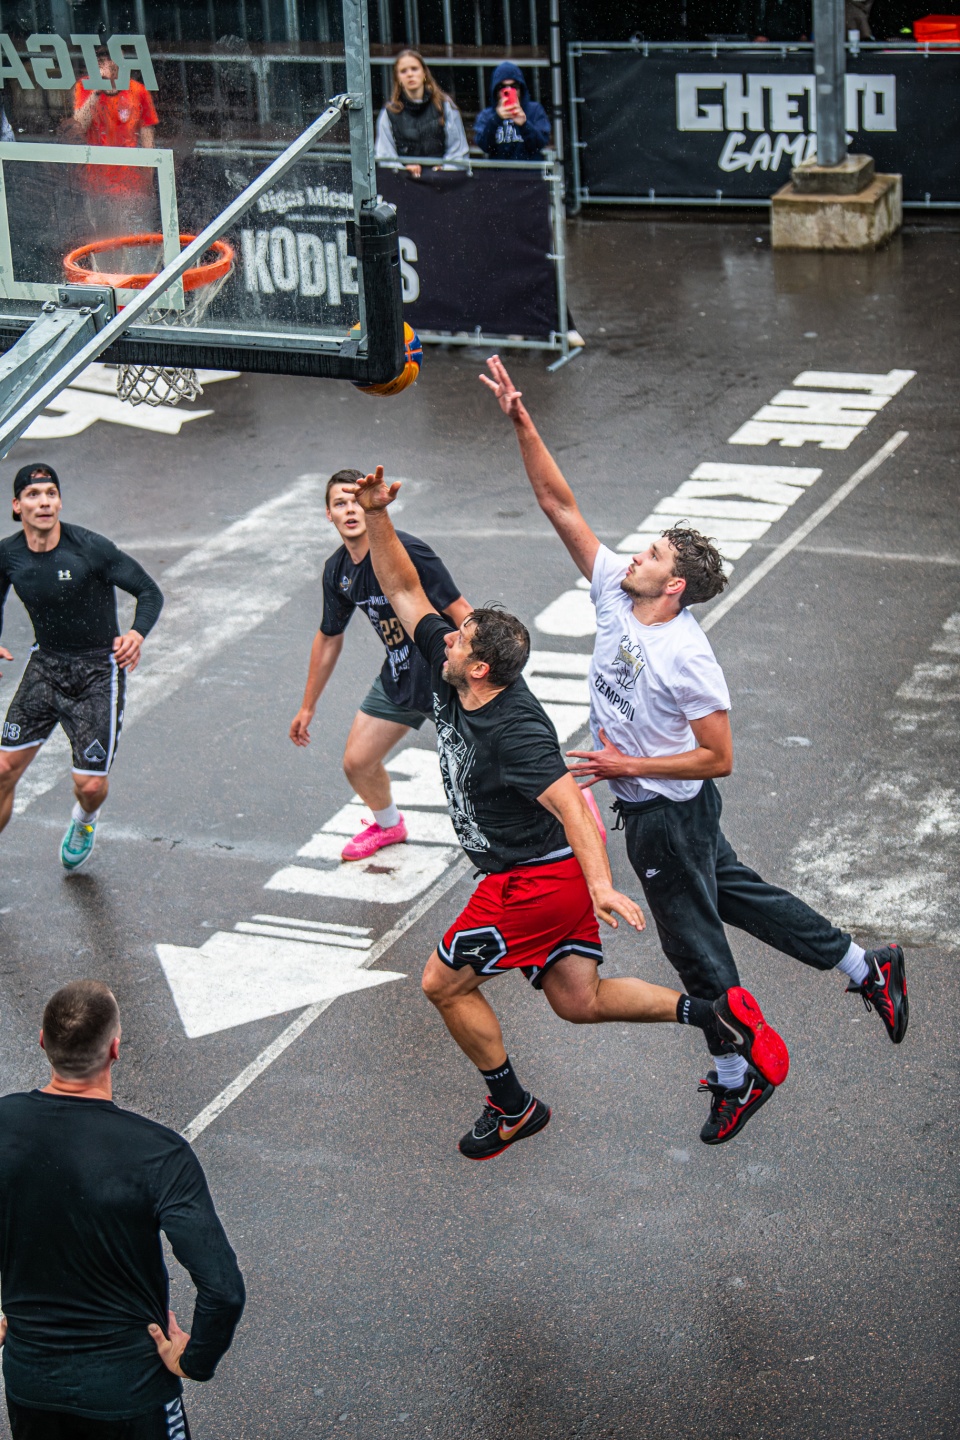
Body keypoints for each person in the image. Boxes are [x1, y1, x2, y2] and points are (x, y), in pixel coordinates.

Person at [480, 353, 908, 1145]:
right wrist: (522, 421)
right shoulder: (617, 593)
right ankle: (864, 966)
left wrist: (626, 766)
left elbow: (719, 757)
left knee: (693, 947)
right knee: (739, 896)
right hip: (673, 808)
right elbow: (557, 503)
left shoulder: (687, 655)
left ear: (673, 587)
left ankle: (738, 1075)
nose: (634, 557)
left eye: (652, 557)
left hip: (665, 815)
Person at [344, 465, 789, 1157]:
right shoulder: (449, 664)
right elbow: (403, 587)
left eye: (459, 640)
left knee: (443, 983)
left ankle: (512, 1106)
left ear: (480, 669)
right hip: (548, 873)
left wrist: (602, 886)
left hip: (533, 879)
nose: (445, 640)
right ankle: (715, 1016)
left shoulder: (516, 732)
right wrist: (376, 514)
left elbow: (575, 811)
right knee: (578, 1001)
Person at [0, 980, 244, 1438]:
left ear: (42, 1041)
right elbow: (223, 1289)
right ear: (115, 1049)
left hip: (32, 1387)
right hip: (132, 1392)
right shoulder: (159, 1152)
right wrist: (194, 1360)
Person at [290, 468, 473, 862]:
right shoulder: (338, 571)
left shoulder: (408, 550)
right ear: (329, 515)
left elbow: (460, 609)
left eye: (356, 501)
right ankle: (389, 826)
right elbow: (329, 636)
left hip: (447, 675)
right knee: (357, 762)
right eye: (340, 503)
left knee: (492, 764)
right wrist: (307, 706)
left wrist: (485, 670)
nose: (349, 509)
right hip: (401, 675)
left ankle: (562, 811)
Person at [0, 463, 164, 871]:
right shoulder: (8, 554)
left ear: (59, 502)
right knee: (3, 769)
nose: (44, 502)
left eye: (51, 493)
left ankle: (85, 820)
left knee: (89, 785)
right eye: (34, 495)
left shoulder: (89, 548)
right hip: (46, 665)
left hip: (96, 672)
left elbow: (148, 590)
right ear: (18, 506)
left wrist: (136, 633)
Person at [73, 45, 159, 234]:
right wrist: (97, 90)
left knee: (134, 241)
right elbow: (79, 125)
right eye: (101, 60)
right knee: (103, 242)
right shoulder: (85, 87)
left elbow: (148, 143)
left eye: (109, 59)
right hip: (97, 186)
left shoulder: (138, 91)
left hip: (132, 187)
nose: (105, 64)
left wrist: (148, 183)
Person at [375, 49, 469, 178]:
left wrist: (444, 169)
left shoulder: (445, 106)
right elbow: (385, 155)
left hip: (442, 180)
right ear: (398, 78)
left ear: (424, 73)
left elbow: (458, 151)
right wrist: (403, 169)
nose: (410, 74)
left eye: (414, 69)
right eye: (403, 71)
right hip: (405, 181)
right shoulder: (389, 112)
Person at [473, 61, 551, 163]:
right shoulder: (487, 115)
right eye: (502, 87)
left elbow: (540, 144)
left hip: (529, 170)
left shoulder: (535, 110)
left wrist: (524, 125)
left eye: (514, 86)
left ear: (521, 88)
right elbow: (484, 146)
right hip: (498, 171)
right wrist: (496, 120)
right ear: (495, 90)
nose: (508, 90)